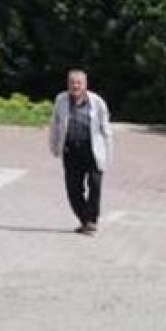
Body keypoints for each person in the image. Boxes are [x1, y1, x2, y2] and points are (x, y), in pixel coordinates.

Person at [49, 69, 114, 235]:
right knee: (73, 189)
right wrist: (54, 146)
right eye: (72, 83)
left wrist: (108, 153)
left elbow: (106, 130)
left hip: (92, 149)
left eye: (79, 83)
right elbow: (55, 125)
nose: (75, 86)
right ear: (68, 84)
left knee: (95, 184)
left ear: (85, 85)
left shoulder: (97, 102)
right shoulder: (61, 100)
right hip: (71, 150)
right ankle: (85, 220)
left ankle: (92, 221)